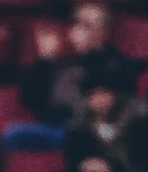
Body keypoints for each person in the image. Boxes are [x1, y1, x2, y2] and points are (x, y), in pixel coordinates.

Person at [8, 1, 137, 151]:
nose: (80, 31)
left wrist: (92, 54)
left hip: (88, 131)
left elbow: (117, 103)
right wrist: (45, 59)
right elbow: (28, 100)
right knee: (11, 134)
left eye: (87, 26)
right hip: (52, 126)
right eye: (77, 24)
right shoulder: (60, 63)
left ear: (104, 31)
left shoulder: (116, 63)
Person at [50, 78, 148, 172]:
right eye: (94, 95)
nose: (99, 99)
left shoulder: (135, 124)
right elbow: (73, 158)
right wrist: (83, 165)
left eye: (104, 93)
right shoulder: (79, 128)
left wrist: (112, 168)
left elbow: (138, 156)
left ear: (115, 95)